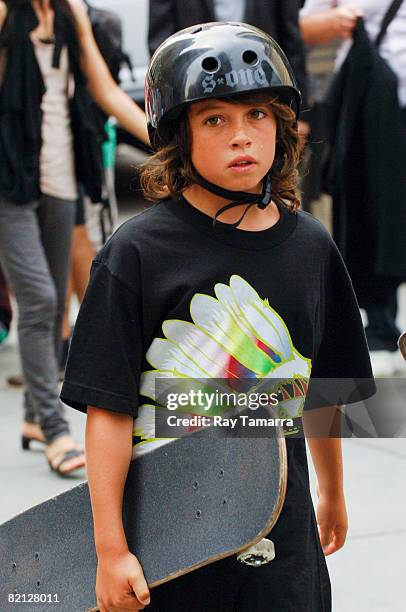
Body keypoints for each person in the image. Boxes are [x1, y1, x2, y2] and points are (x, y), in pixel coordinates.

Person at [61, 22, 375, 612]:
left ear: (282, 129)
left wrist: (330, 492)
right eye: (215, 119)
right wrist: (109, 548)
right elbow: (108, 409)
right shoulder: (136, 254)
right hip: (171, 542)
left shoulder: (310, 246)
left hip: (283, 534)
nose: (242, 137)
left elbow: (326, 389)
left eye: (258, 116)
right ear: (178, 137)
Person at [0, 0, 149, 475]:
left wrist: (162, 135)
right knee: (41, 299)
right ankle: (53, 427)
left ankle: (31, 419)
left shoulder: (69, 13)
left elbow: (102, 87)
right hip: (9, 181)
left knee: (58, 305)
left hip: (60, 177)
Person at [300, 0, 406, 376]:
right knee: (375, 214)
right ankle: (380, 327)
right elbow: (303, 25)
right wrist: (334, 21)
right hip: (375, 104)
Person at [148, 0, 311, 150]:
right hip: (195, 91)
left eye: (255, 114)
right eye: (214, 121)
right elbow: (162, 48)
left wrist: (298, 114)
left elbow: (292, 40)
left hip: (263, 85)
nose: (240, 138)